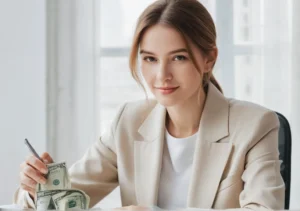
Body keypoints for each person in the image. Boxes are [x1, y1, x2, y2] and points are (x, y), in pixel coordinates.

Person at [15, 0, 285, 210]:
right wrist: (37, 185)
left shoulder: (255, 125)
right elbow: (68, 195)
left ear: (209, 59)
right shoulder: (129, 121)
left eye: (178, 58)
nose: (161, 76)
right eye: (150, 59)